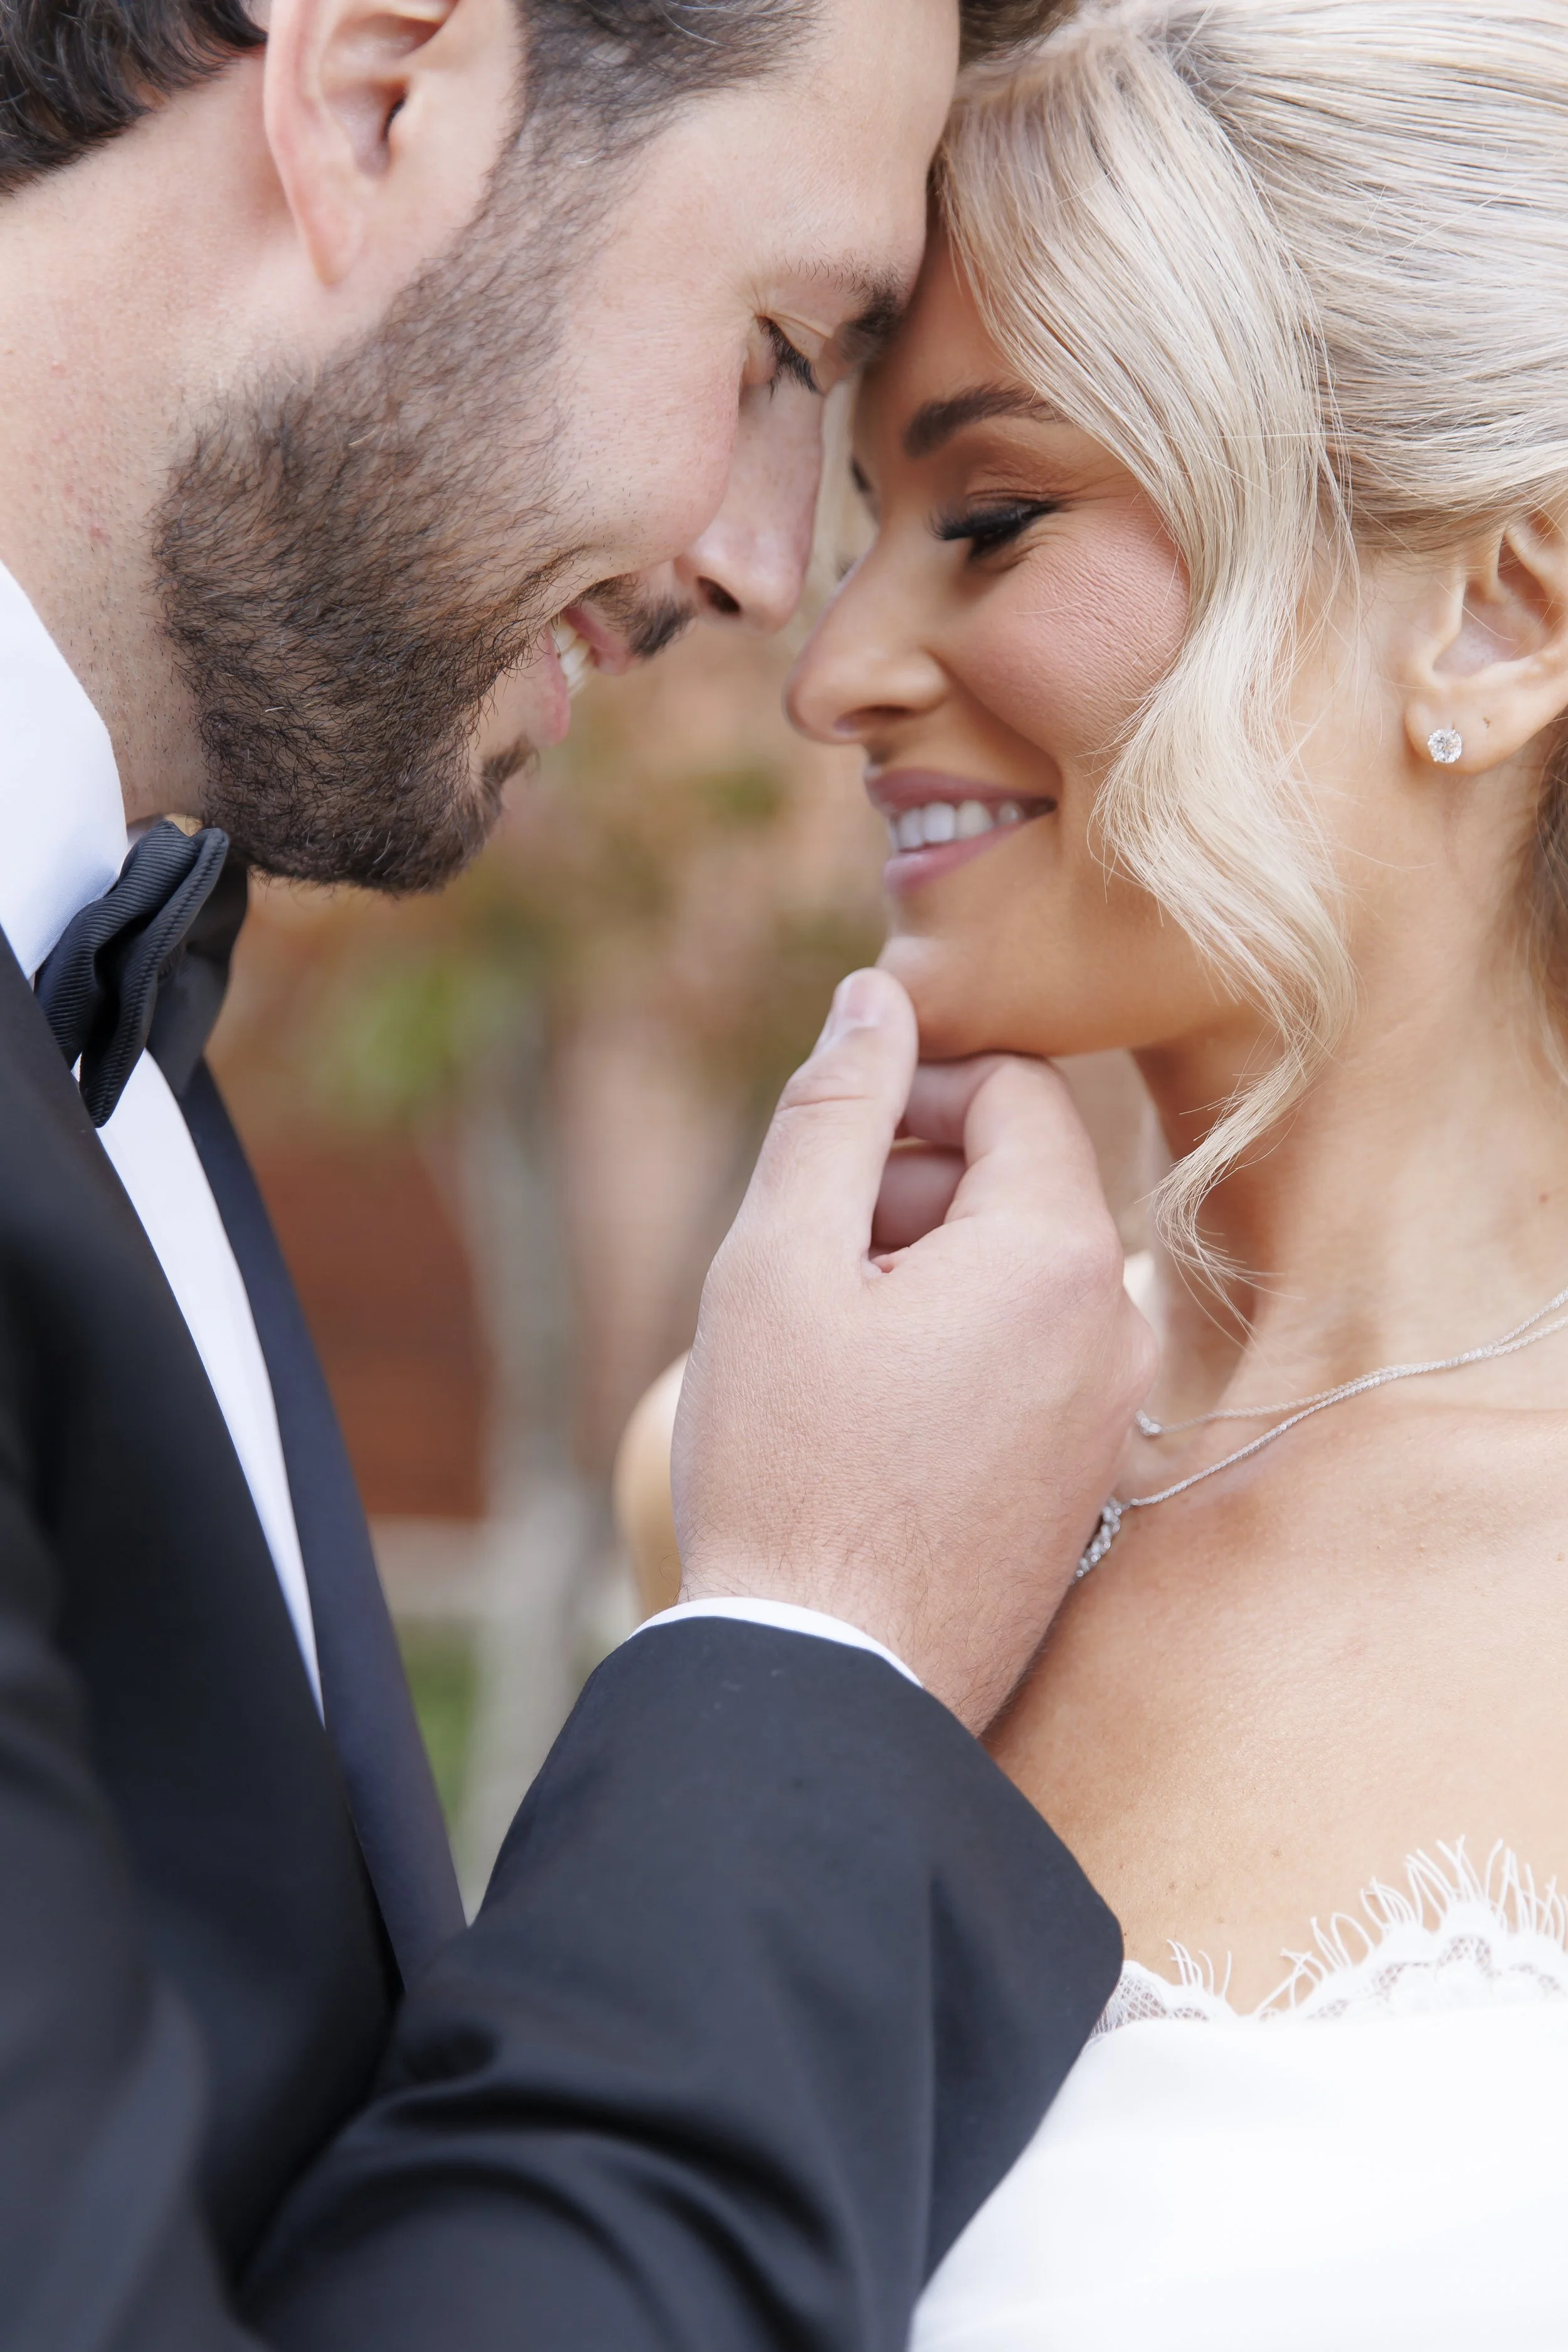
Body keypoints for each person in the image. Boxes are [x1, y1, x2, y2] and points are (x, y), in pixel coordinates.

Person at [0, 1, 1166, 2345]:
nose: (768, 576)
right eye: (773, 347)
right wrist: (816, 1642)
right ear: (373, 94)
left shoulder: (112, 1010)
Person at [780, 0, 1568, 2337]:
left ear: (1495, 611)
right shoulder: (794, 1505)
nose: (833, 669)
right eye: (859, 539)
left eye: (990, 517)